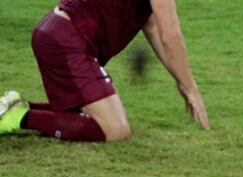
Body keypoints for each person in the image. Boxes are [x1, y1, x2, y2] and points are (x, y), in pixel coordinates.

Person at [0, 0, 208, 142]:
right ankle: (19, 117)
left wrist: (181, 81)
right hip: (67, 40)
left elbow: (152, 26)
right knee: (114, 129)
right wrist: (191, 88)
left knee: (94, 117)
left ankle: (20, 106)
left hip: (58, 32)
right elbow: (170, 36)